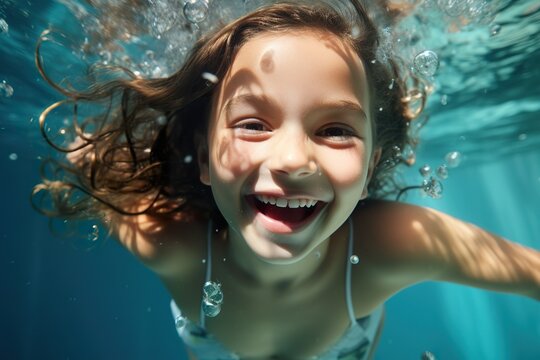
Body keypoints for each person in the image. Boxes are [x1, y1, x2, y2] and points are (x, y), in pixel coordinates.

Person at [33, 1, 539, 359]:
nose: (294, 159)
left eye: (336, 130)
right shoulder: (166, 240)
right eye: (253, 124)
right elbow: (86, 155)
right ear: (204, 156)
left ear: (368, 169)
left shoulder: (395, 244)